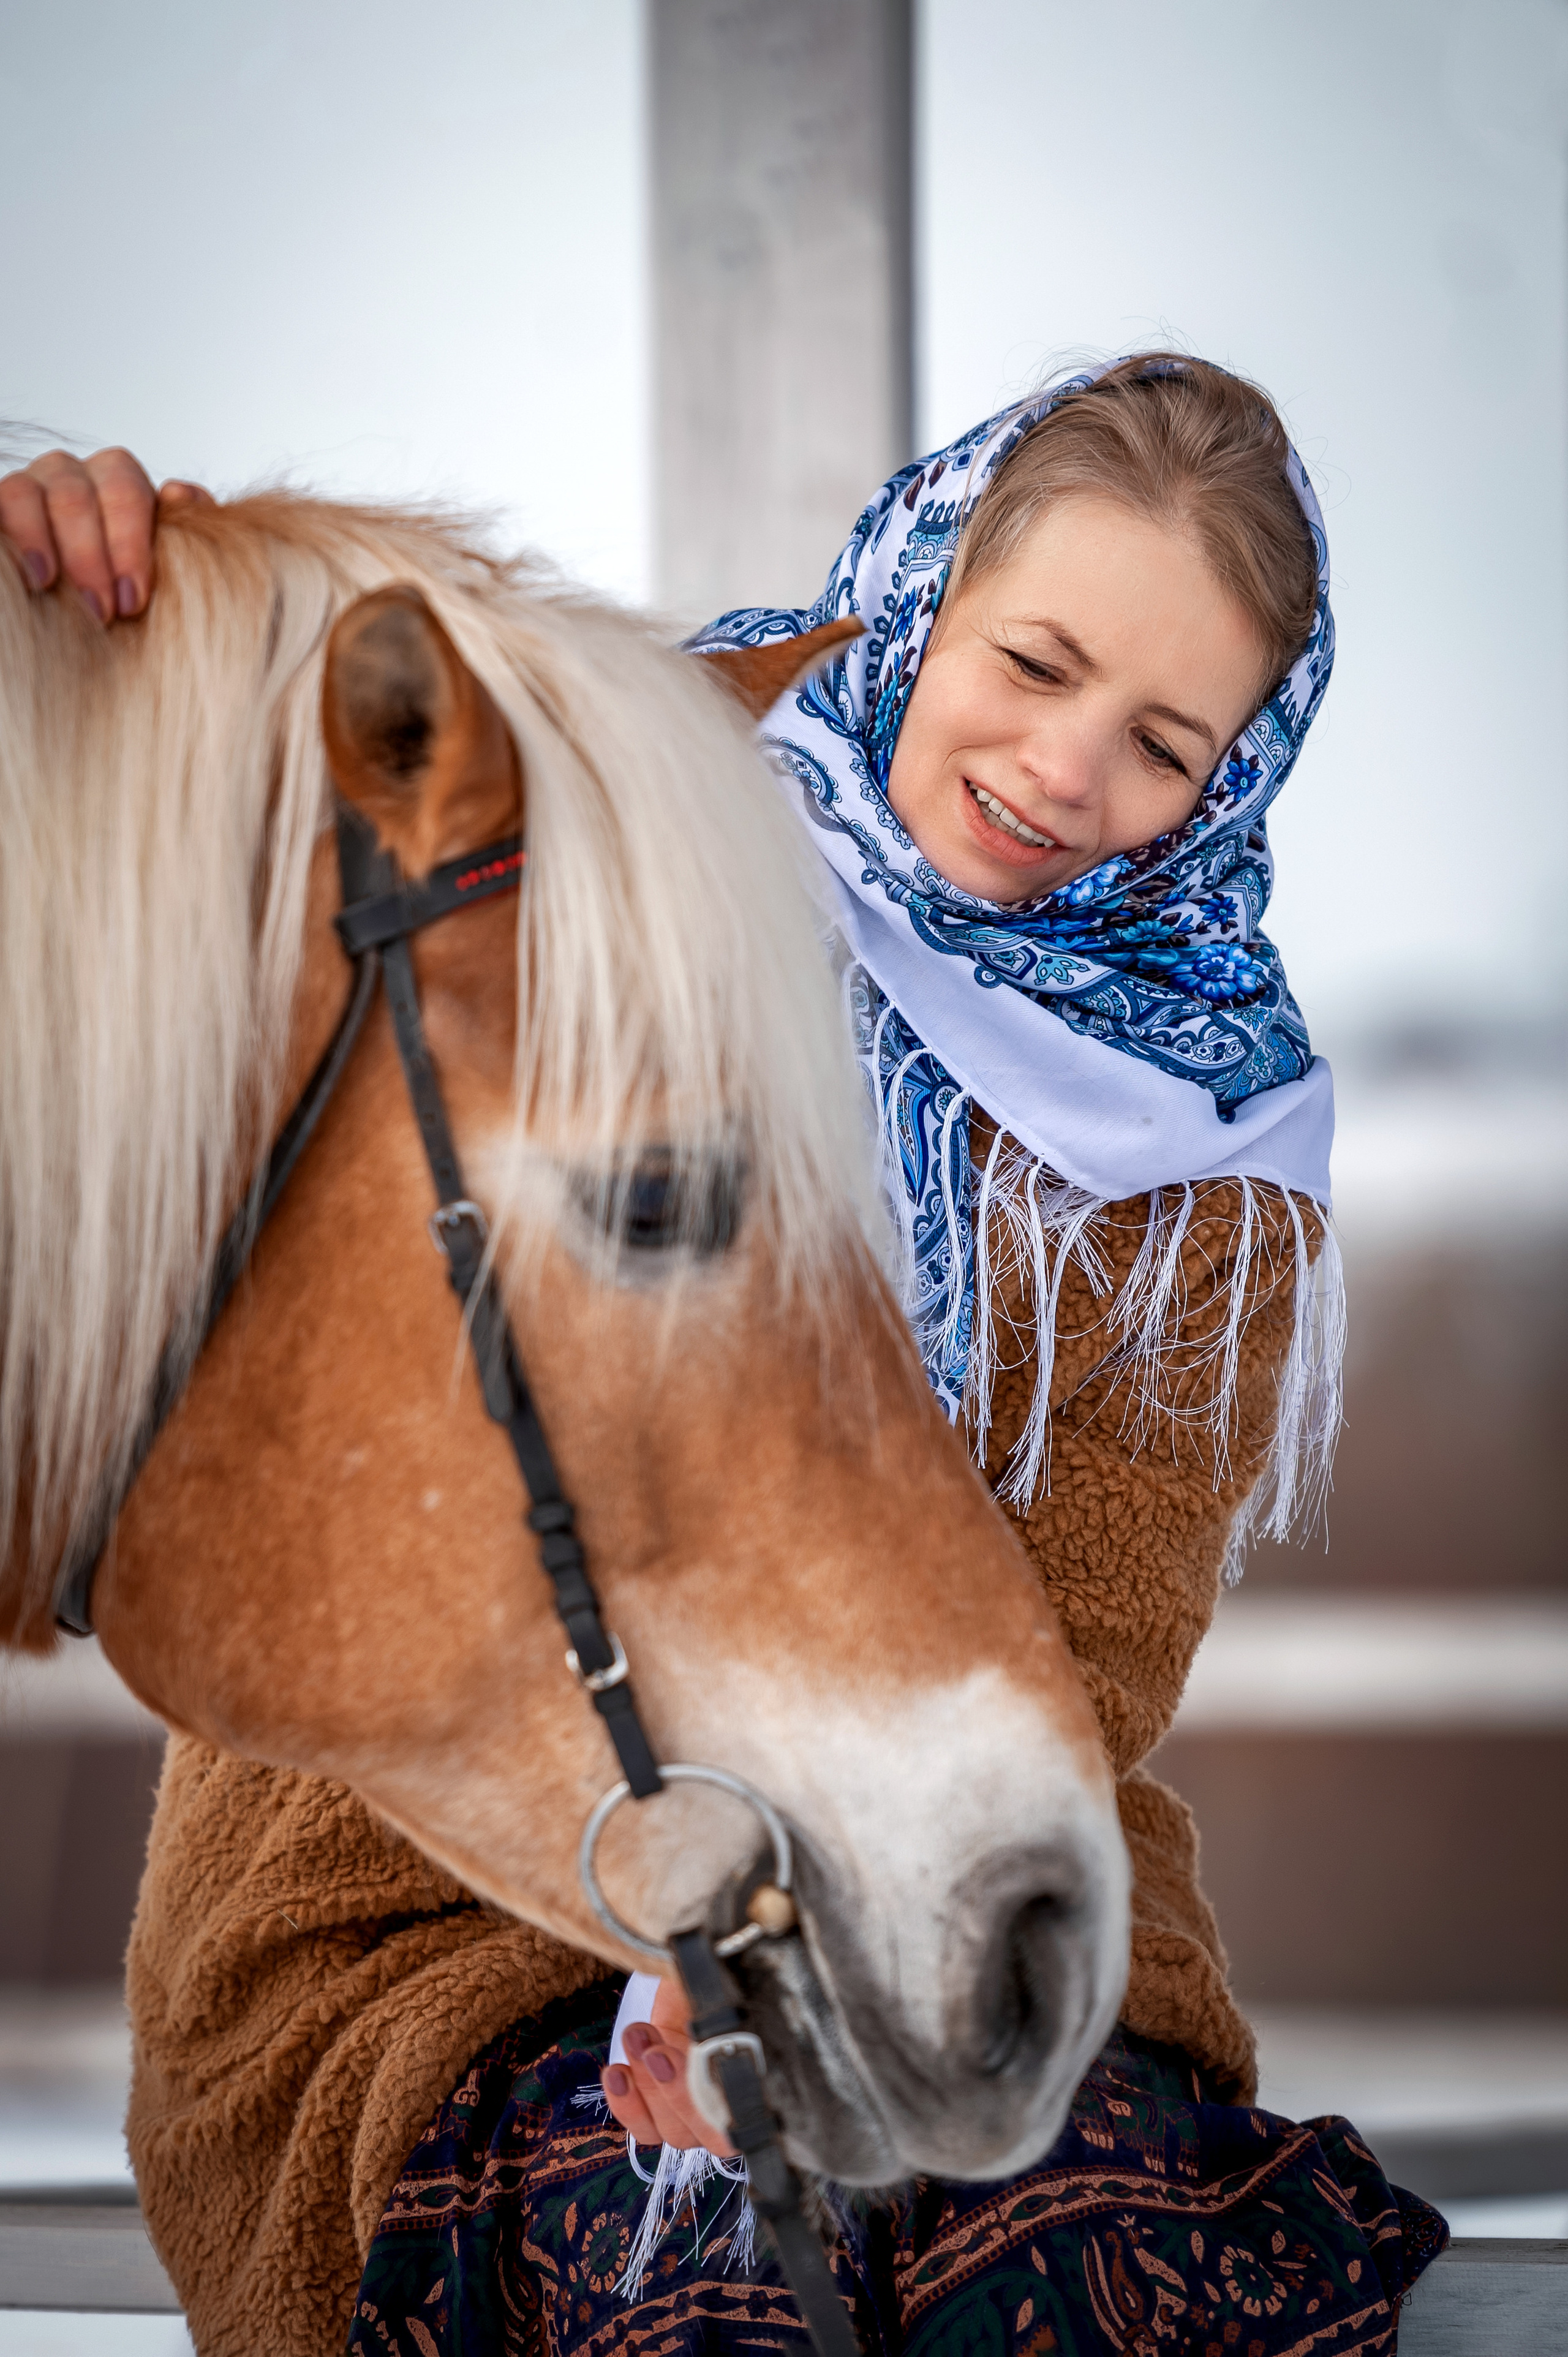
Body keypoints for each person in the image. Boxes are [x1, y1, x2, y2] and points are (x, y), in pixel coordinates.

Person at [2, 356, 1445, 2356]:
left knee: (1054, 2260)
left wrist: (780, 1935)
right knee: (715, 2287)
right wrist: (74, 602)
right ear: (921, 594)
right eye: (1032, 662)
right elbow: (230, 785)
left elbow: (1091, 1655)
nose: (1063, 767)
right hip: (422, 1919)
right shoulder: (598, 847)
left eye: (1163, 745)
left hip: (927, 1892)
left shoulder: (1205, 1153)